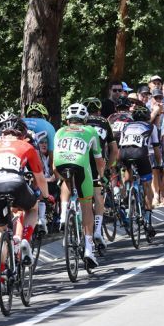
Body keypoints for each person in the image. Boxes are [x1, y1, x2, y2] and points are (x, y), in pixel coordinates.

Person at [0, 114, 52, 270]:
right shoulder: (26, 146)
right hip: (15, 182)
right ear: (22, 133)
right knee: (33, 207)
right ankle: (24, 239)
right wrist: (46, 196)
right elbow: (40, 178)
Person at [54, 104, 104, 268]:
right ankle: (89, 249)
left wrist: (57, 178)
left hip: (61, 164)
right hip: (81, 165)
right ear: (85, 119)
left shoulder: (60, 131)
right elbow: (98, 160)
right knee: (86, 205)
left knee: (66, 181)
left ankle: (63, 214)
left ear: (67, 119)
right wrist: (101, 175)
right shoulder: (91, 131)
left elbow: (54, 165)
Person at [119, 105, 161, 238]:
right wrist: (159, 163)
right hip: (140, 154)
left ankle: (126, 194)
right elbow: (156, 148)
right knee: (147, 184)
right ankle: (147, 219)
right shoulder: (151, 127)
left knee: (128, 169)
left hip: (124, 153)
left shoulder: (126, 126)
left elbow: (121, 144)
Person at [84, 98, 118, 249]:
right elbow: (114, 150)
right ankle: (97, 230)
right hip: (98, 162)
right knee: (98, 194)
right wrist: (109, 168)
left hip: (80, 160)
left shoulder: (79, 122)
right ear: (99, 110)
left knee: (80, 194)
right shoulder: (104, 122)